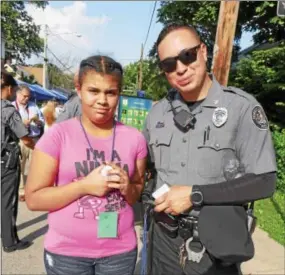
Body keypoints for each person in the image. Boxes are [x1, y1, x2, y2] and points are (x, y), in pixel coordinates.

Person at [142, 23, 276, 275]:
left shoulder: (241, 108)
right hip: (163, 240)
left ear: (203, 51)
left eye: (187, 56)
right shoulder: (157, 113)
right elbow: (144, 169)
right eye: (169, 64)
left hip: (214, 247)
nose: (180, 68)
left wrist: (195, 194)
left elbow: (264, 182)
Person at [25, 55, 147, 275]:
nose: (102, 100)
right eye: (94, 91)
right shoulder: (57, 137)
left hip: (119, 252)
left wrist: (127, 186)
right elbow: (34, 199)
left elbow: (136, 192)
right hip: (67, 254)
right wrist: (84, 186)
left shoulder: (135, 138)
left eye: (110, 92)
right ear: (79, 89)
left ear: (119, 93)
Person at [1, 71, 34, 252]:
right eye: (13, 89)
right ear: (7, 88)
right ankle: (9, 241)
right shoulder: (7, 110)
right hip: (6, 162)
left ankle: (4, 231)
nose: (13, 93)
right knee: (8, 202)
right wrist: (38, 148)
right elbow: (25, 137)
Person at [12, 84, 45, 201]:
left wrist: (38, 122)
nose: (26, 98)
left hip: (34, 139)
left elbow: (42, 121)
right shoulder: (12, 108)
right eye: (24, 96)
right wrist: (21, 125)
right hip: (20, 141)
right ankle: (21, 191)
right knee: (19, 167)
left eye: (28, 96)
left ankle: (32, 190)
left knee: (34, 167)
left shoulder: (33, 106)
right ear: (18, 94)